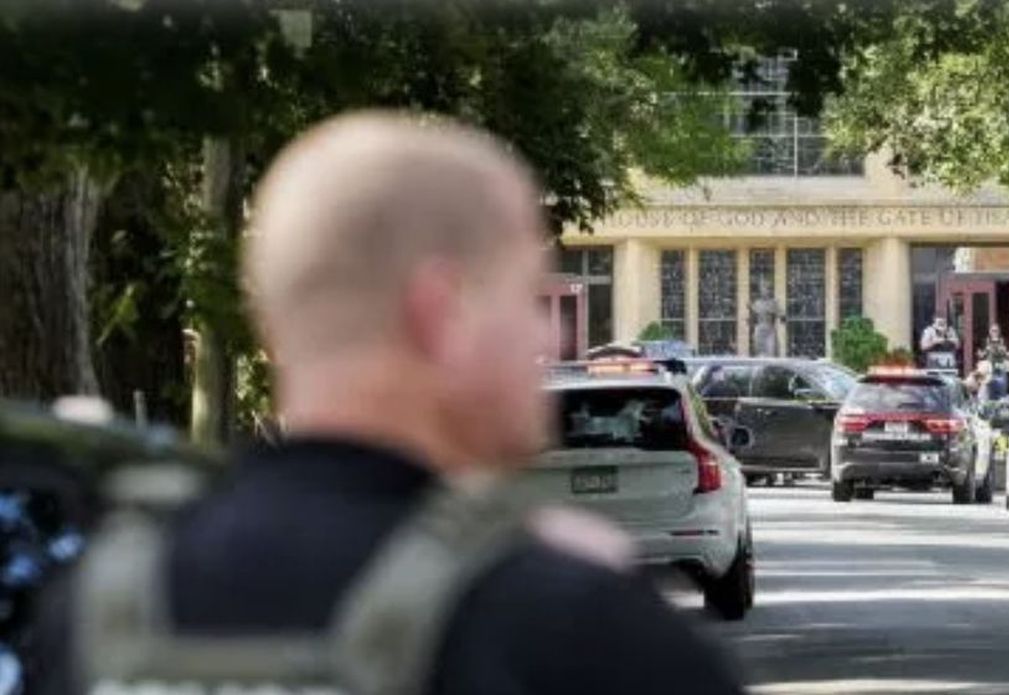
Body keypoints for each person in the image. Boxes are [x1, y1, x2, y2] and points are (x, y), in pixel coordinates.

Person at [29, 112, 744, 694]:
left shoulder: (92, 611)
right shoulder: (566, 625)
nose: (548, 332)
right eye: (525, 294)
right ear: (444, 311)